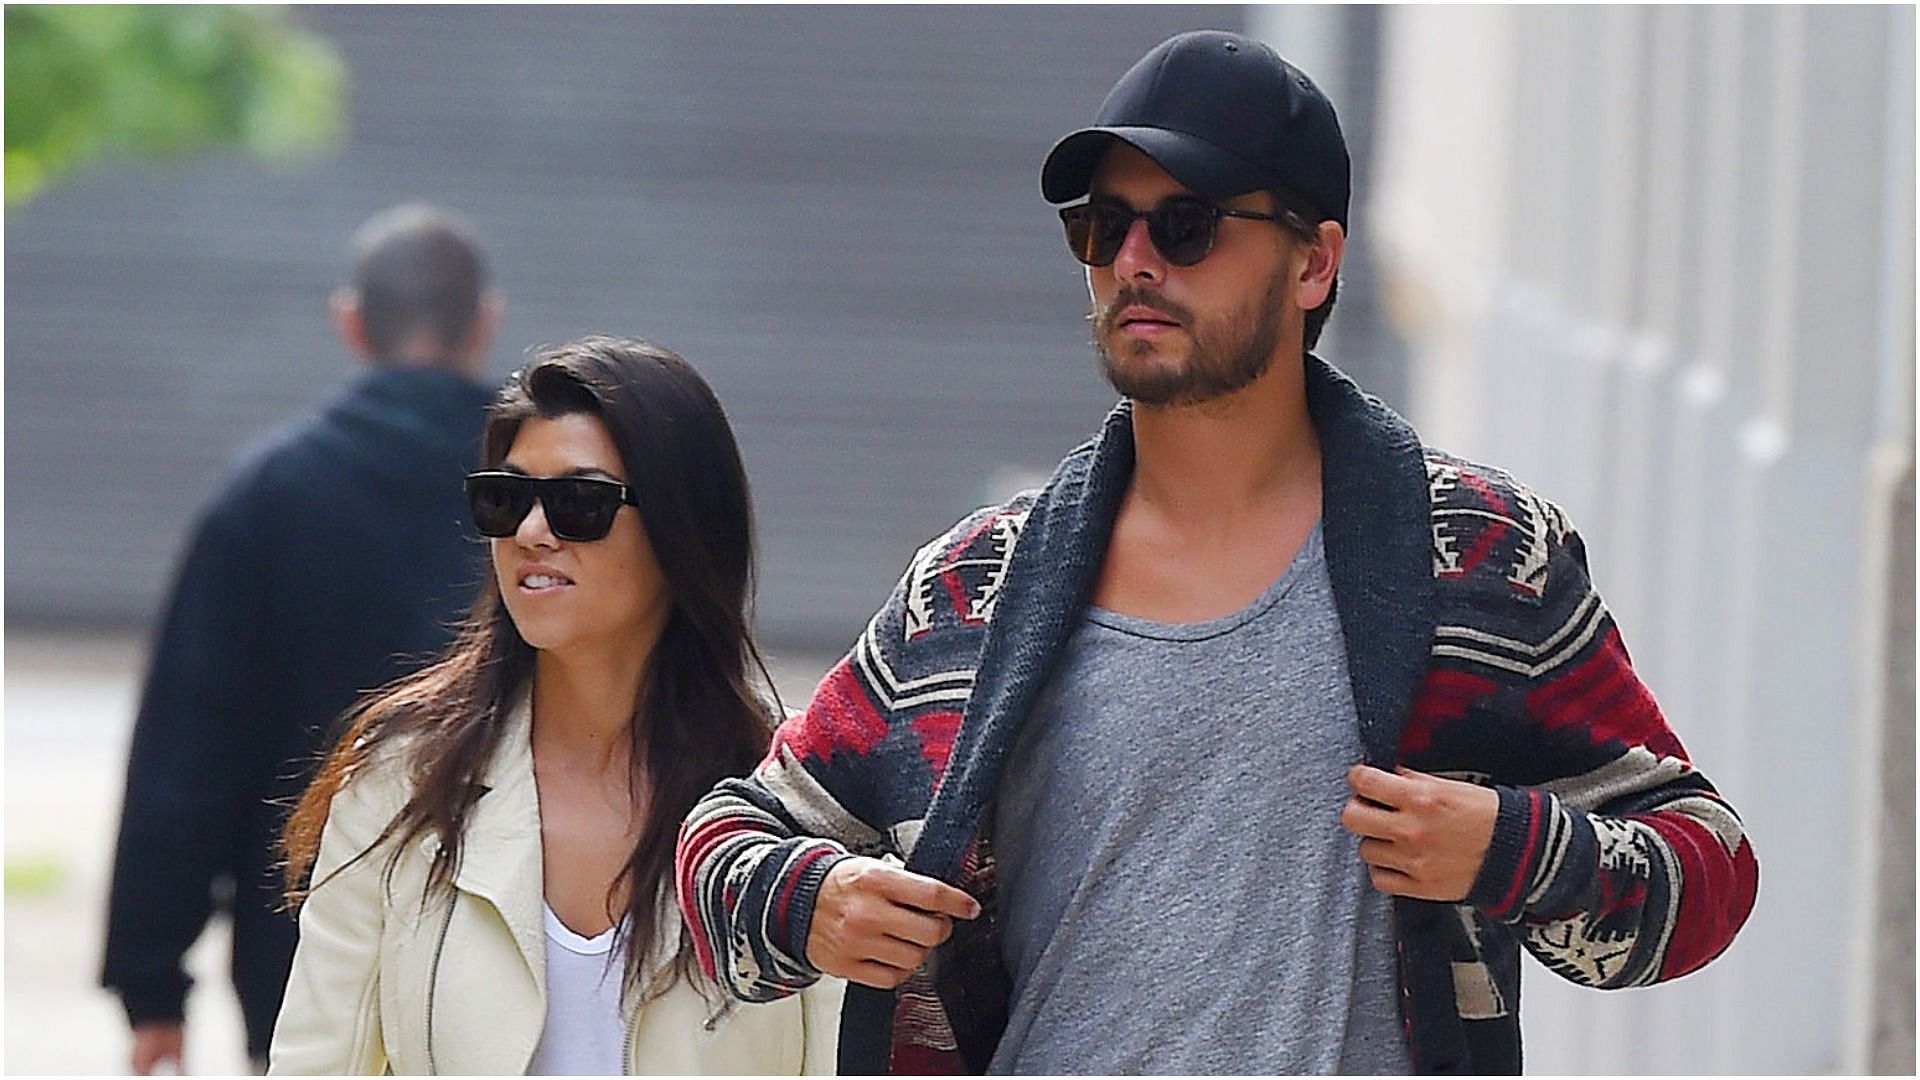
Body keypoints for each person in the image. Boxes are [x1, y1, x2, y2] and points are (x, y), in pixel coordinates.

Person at [676, 29, 1760, 1075]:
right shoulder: (974, 589)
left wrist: (1513, 850)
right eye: (1104, 227)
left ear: (1314, 263)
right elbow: (727, 840)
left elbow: (1708, 868)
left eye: (1187, 225)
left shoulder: (1472, 558)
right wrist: (814, 903)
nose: (1135, 262)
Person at [267, 337, 844, 1074]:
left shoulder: (798, 806)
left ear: (682, 529)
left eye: (581, 503)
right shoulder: (401, 777)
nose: (533, 533)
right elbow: (315, 1059)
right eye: (504, 500)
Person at [103, 203, 502, 1073]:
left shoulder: (270, 494)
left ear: (351, 321)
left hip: (302, 949)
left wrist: (151, 983)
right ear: (486, 320)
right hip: (509, 941)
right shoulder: (540, 498)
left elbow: (188, 752)